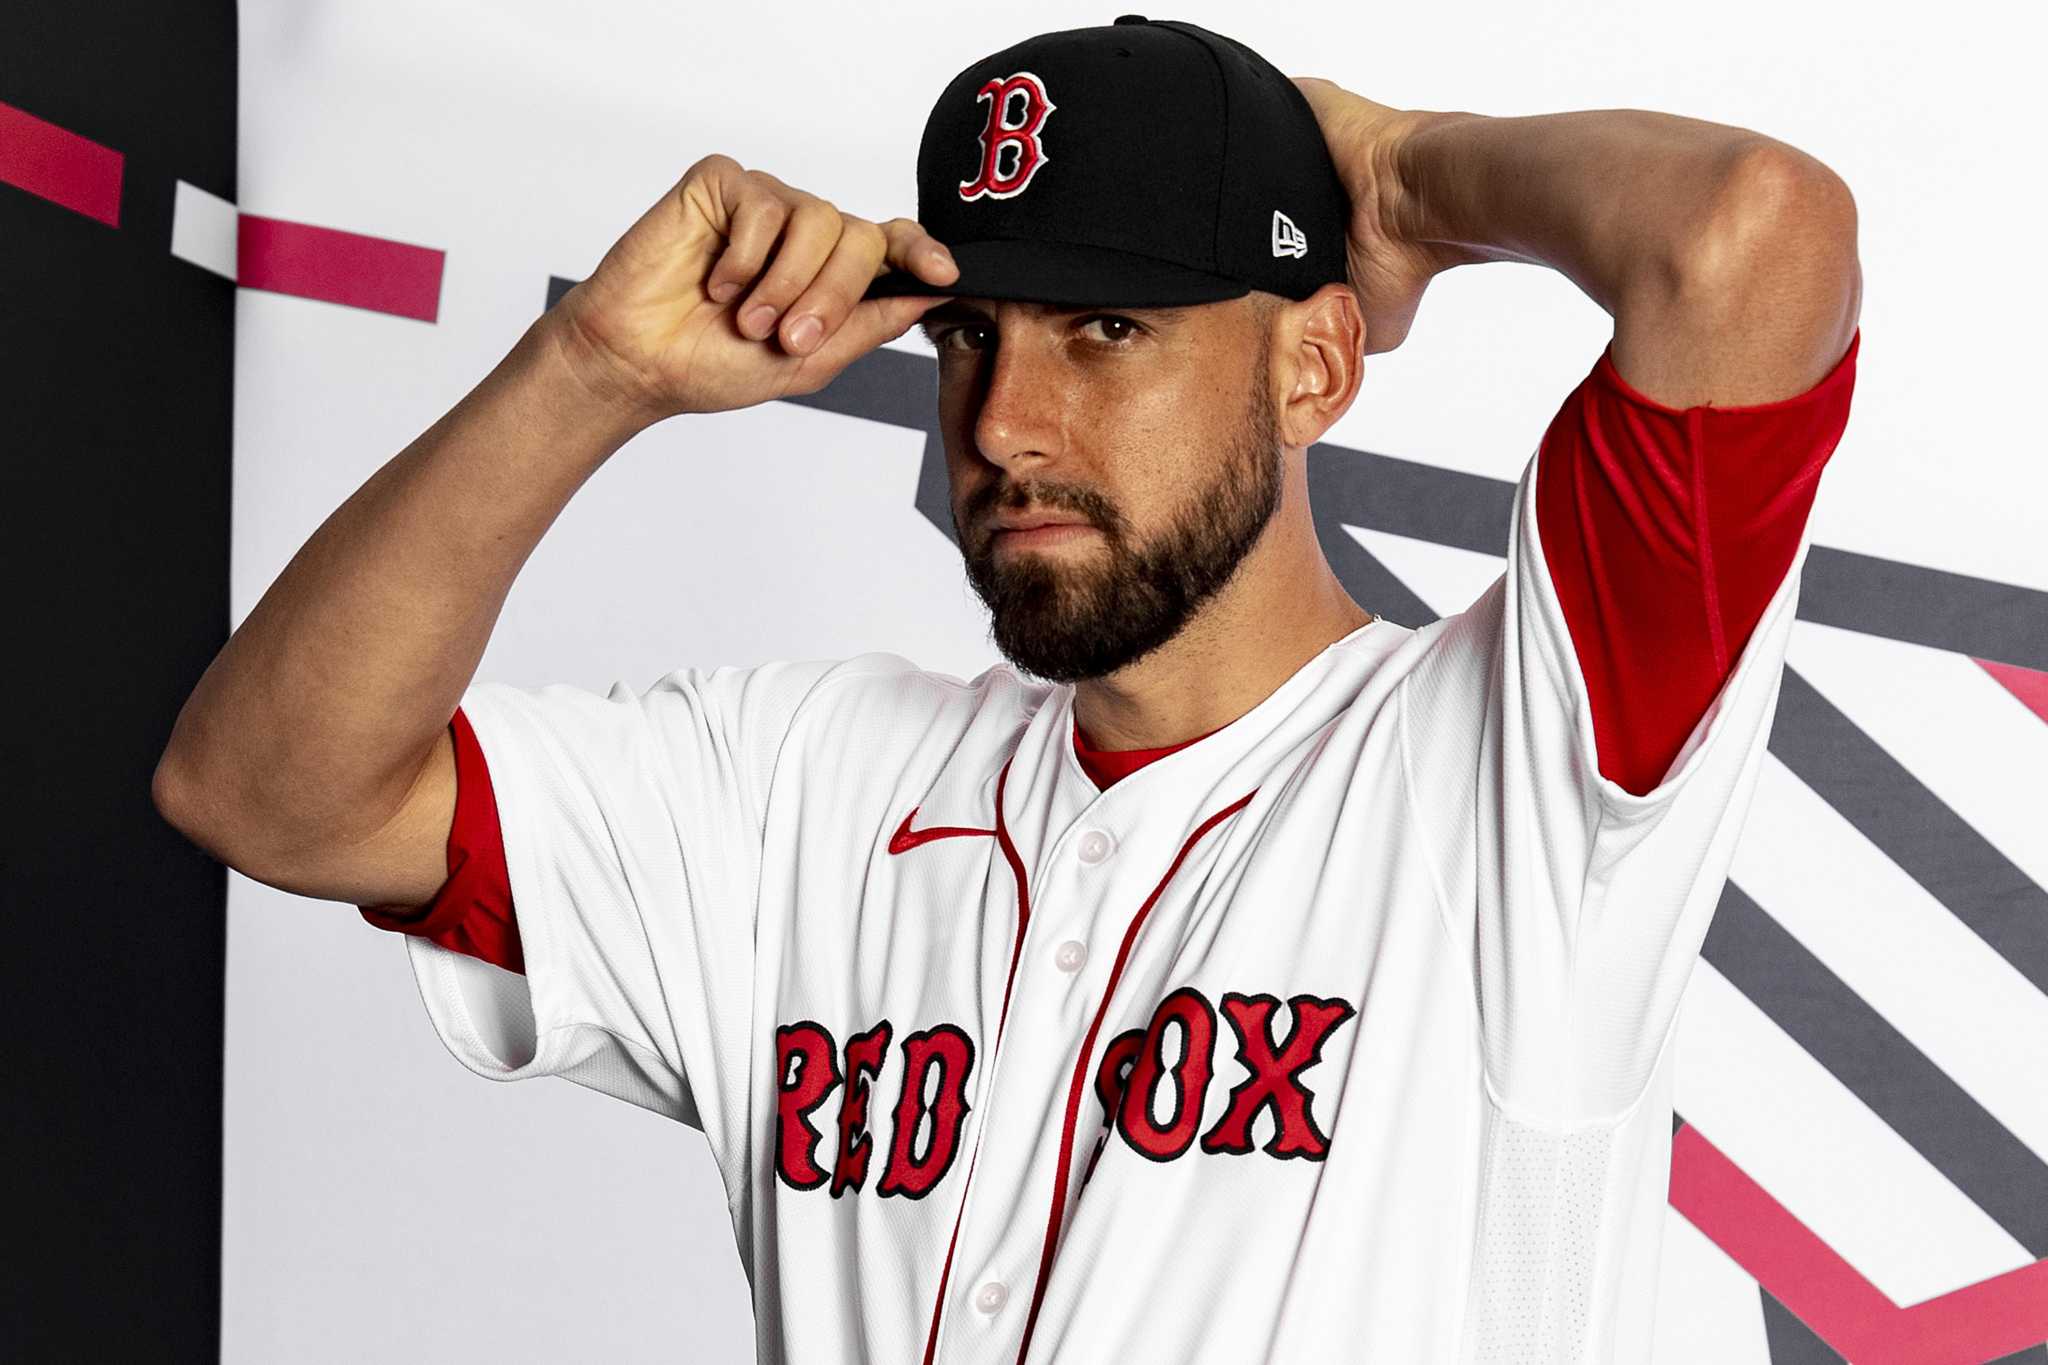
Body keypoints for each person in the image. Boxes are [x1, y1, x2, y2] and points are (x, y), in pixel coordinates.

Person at [152, 15, 1860, 1363]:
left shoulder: (1534, 776)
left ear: (1316, 360)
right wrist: (589, 372)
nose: (1003, 422)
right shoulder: (803, 788)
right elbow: (267, 790)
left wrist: (1407, 178)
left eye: (1107, 329)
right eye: (975, 332)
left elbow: (1748, 237)